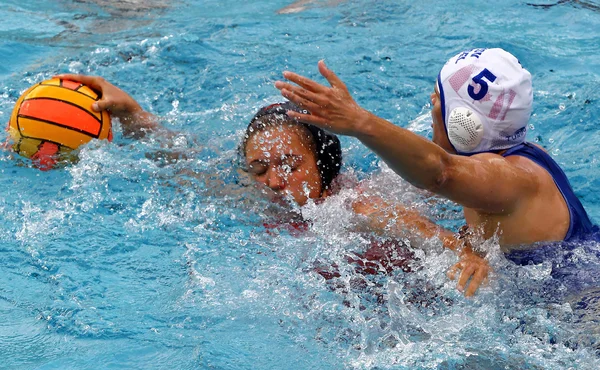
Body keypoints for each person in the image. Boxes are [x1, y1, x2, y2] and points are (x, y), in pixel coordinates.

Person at [50, 73, 492, 296]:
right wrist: (132, 114)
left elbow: (425, 232)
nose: (275, 181)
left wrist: (466, 253)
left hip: (409, 289)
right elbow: (179, 165)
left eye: (289, 164)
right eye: (260, 169)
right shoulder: (260, 200)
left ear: (323, 163)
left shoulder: (354, 206)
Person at [274, 48, 596, 255]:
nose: (431, 109)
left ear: (462, 123)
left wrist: (361, 123)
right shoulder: (524, 157)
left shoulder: (507, 178)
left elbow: (441, 172)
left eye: (437, 101)